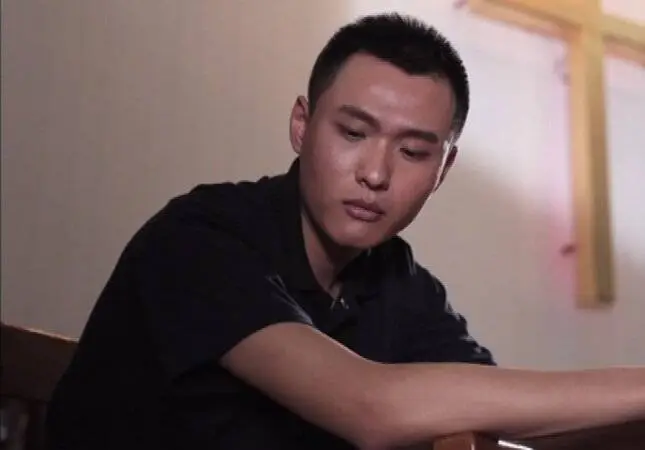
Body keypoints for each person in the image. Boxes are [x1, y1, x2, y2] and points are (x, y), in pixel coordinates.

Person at [46, 12, 644, 450]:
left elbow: (500, 411)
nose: (376, 174)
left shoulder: (400, 284)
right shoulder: (199, 238)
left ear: (442, 170)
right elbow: (369, 405)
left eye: (413, 152)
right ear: (301, 125)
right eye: (353, 133)